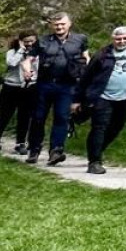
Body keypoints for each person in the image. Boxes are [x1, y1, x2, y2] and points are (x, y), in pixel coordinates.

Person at [77, 26, 126, 174]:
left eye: (125, 38)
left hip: (124, 98)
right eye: (118, 39)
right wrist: (77, 100)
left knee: (116, 127)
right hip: (102, 97)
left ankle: (96, 150)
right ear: (113, 39)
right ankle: (94, 162)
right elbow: (86, 78)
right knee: (99, 127)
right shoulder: (102, 55)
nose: (121, 41)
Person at [28, 14, 88, 166]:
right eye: (56, 25)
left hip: (67, 85)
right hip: (44, 83)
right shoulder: (42, 41)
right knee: (38, 117)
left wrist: (86, 76)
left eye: (62, 24)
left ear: (69, 24)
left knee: (62, 117)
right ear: (52, 26)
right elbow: (29, 58)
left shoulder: (80, 39)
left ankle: (56, 150)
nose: (59, 27)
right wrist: (27, 70)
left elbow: (86, 57)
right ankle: (34, 149)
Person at [0, 32, 39, 153]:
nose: (29, 43)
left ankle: (20, 143)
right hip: (11, 87)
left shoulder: (38, 53)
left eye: (32, 41)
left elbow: (39, 69)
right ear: (21, 41)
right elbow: (11, 63)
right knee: (5, 115)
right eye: (26, 41)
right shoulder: (12, 52)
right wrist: (21, 51)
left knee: (24, 116)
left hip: (28, 88)